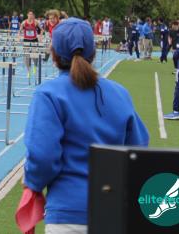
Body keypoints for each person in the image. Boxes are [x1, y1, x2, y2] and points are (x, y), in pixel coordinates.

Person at [23, 18, 149, 231]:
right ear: (93, 52)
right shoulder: (120, 93)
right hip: (113, 212)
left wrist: (32, 181)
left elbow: (42, 157)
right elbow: (138, 149)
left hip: (67, 213)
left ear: (54, 54)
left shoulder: (48, 94)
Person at [21, 10, 42, 80]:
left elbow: (42, 30)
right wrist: (19, 36)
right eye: (29, 14)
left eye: (32, 14)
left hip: (34, 40)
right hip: (26, 40)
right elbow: (19, 31)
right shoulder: (24, 22)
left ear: (33, 15)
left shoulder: (36, 22)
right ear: (27, 15)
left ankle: (35, 66)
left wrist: (40, 36)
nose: (30, 15)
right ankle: (28, 71)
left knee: (34, 55)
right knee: (27, 56)